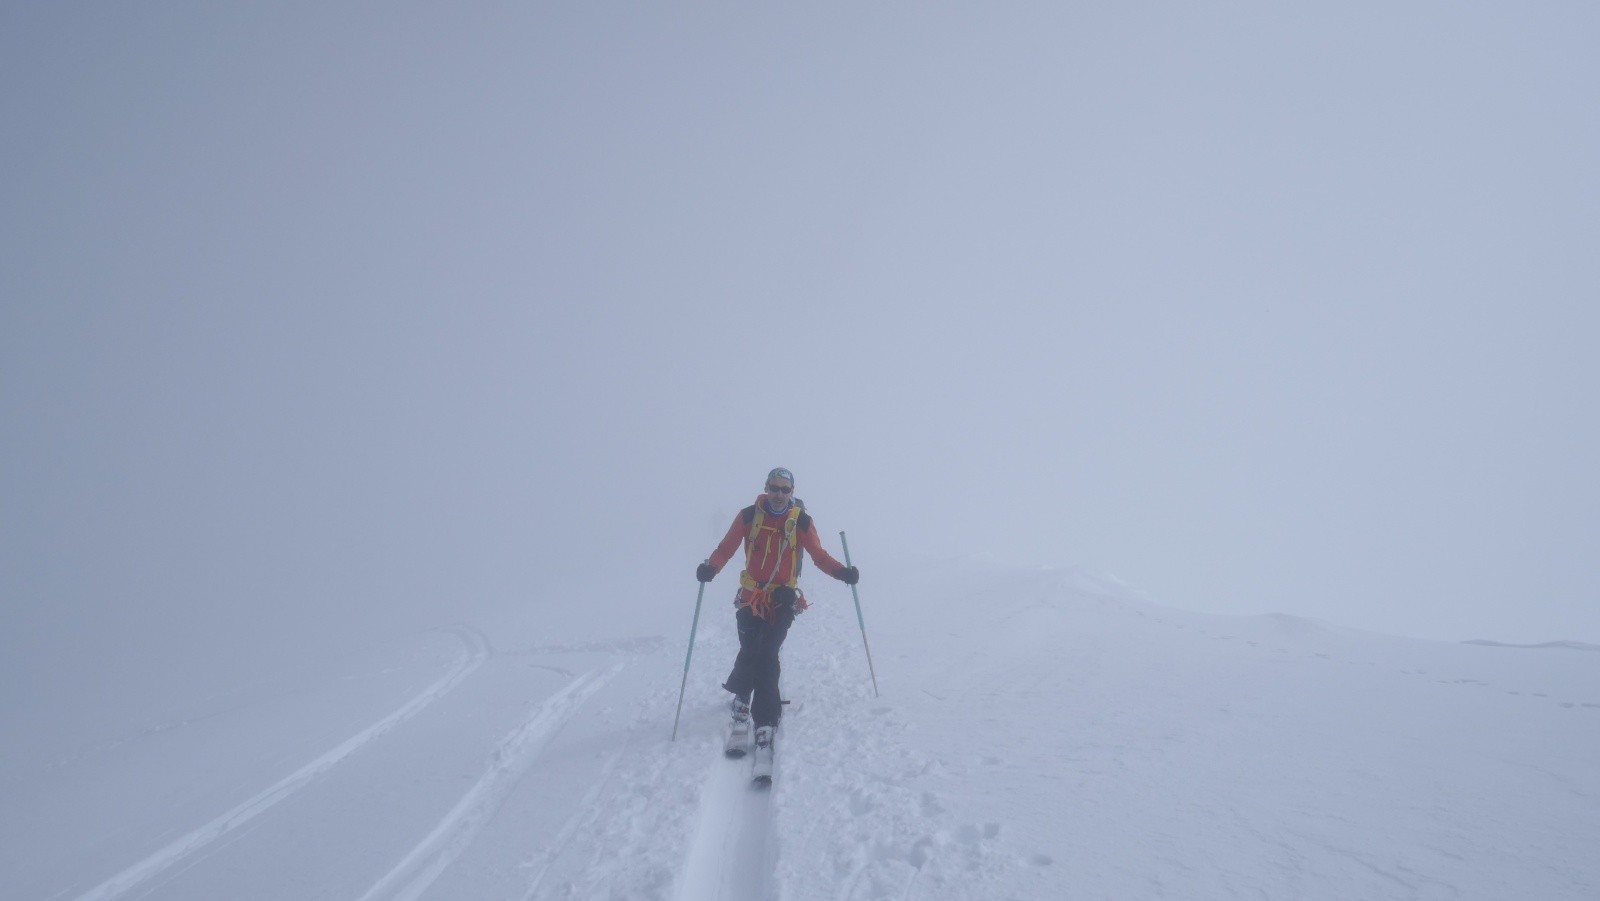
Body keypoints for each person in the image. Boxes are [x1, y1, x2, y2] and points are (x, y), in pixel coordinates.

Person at [696, 467, 859, 754]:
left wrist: (843, 573)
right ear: (766, 488)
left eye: (785, 489)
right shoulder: (748, 516)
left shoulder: (802, 522)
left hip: (782, 600)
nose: (779, 494)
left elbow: (819, 555)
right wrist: (711, 567)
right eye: (775, 488)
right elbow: (726, 548)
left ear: (792, 492)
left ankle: (766, 719)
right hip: (749, 596)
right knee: (748, 649)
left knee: (768, 654)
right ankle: (742, 696)